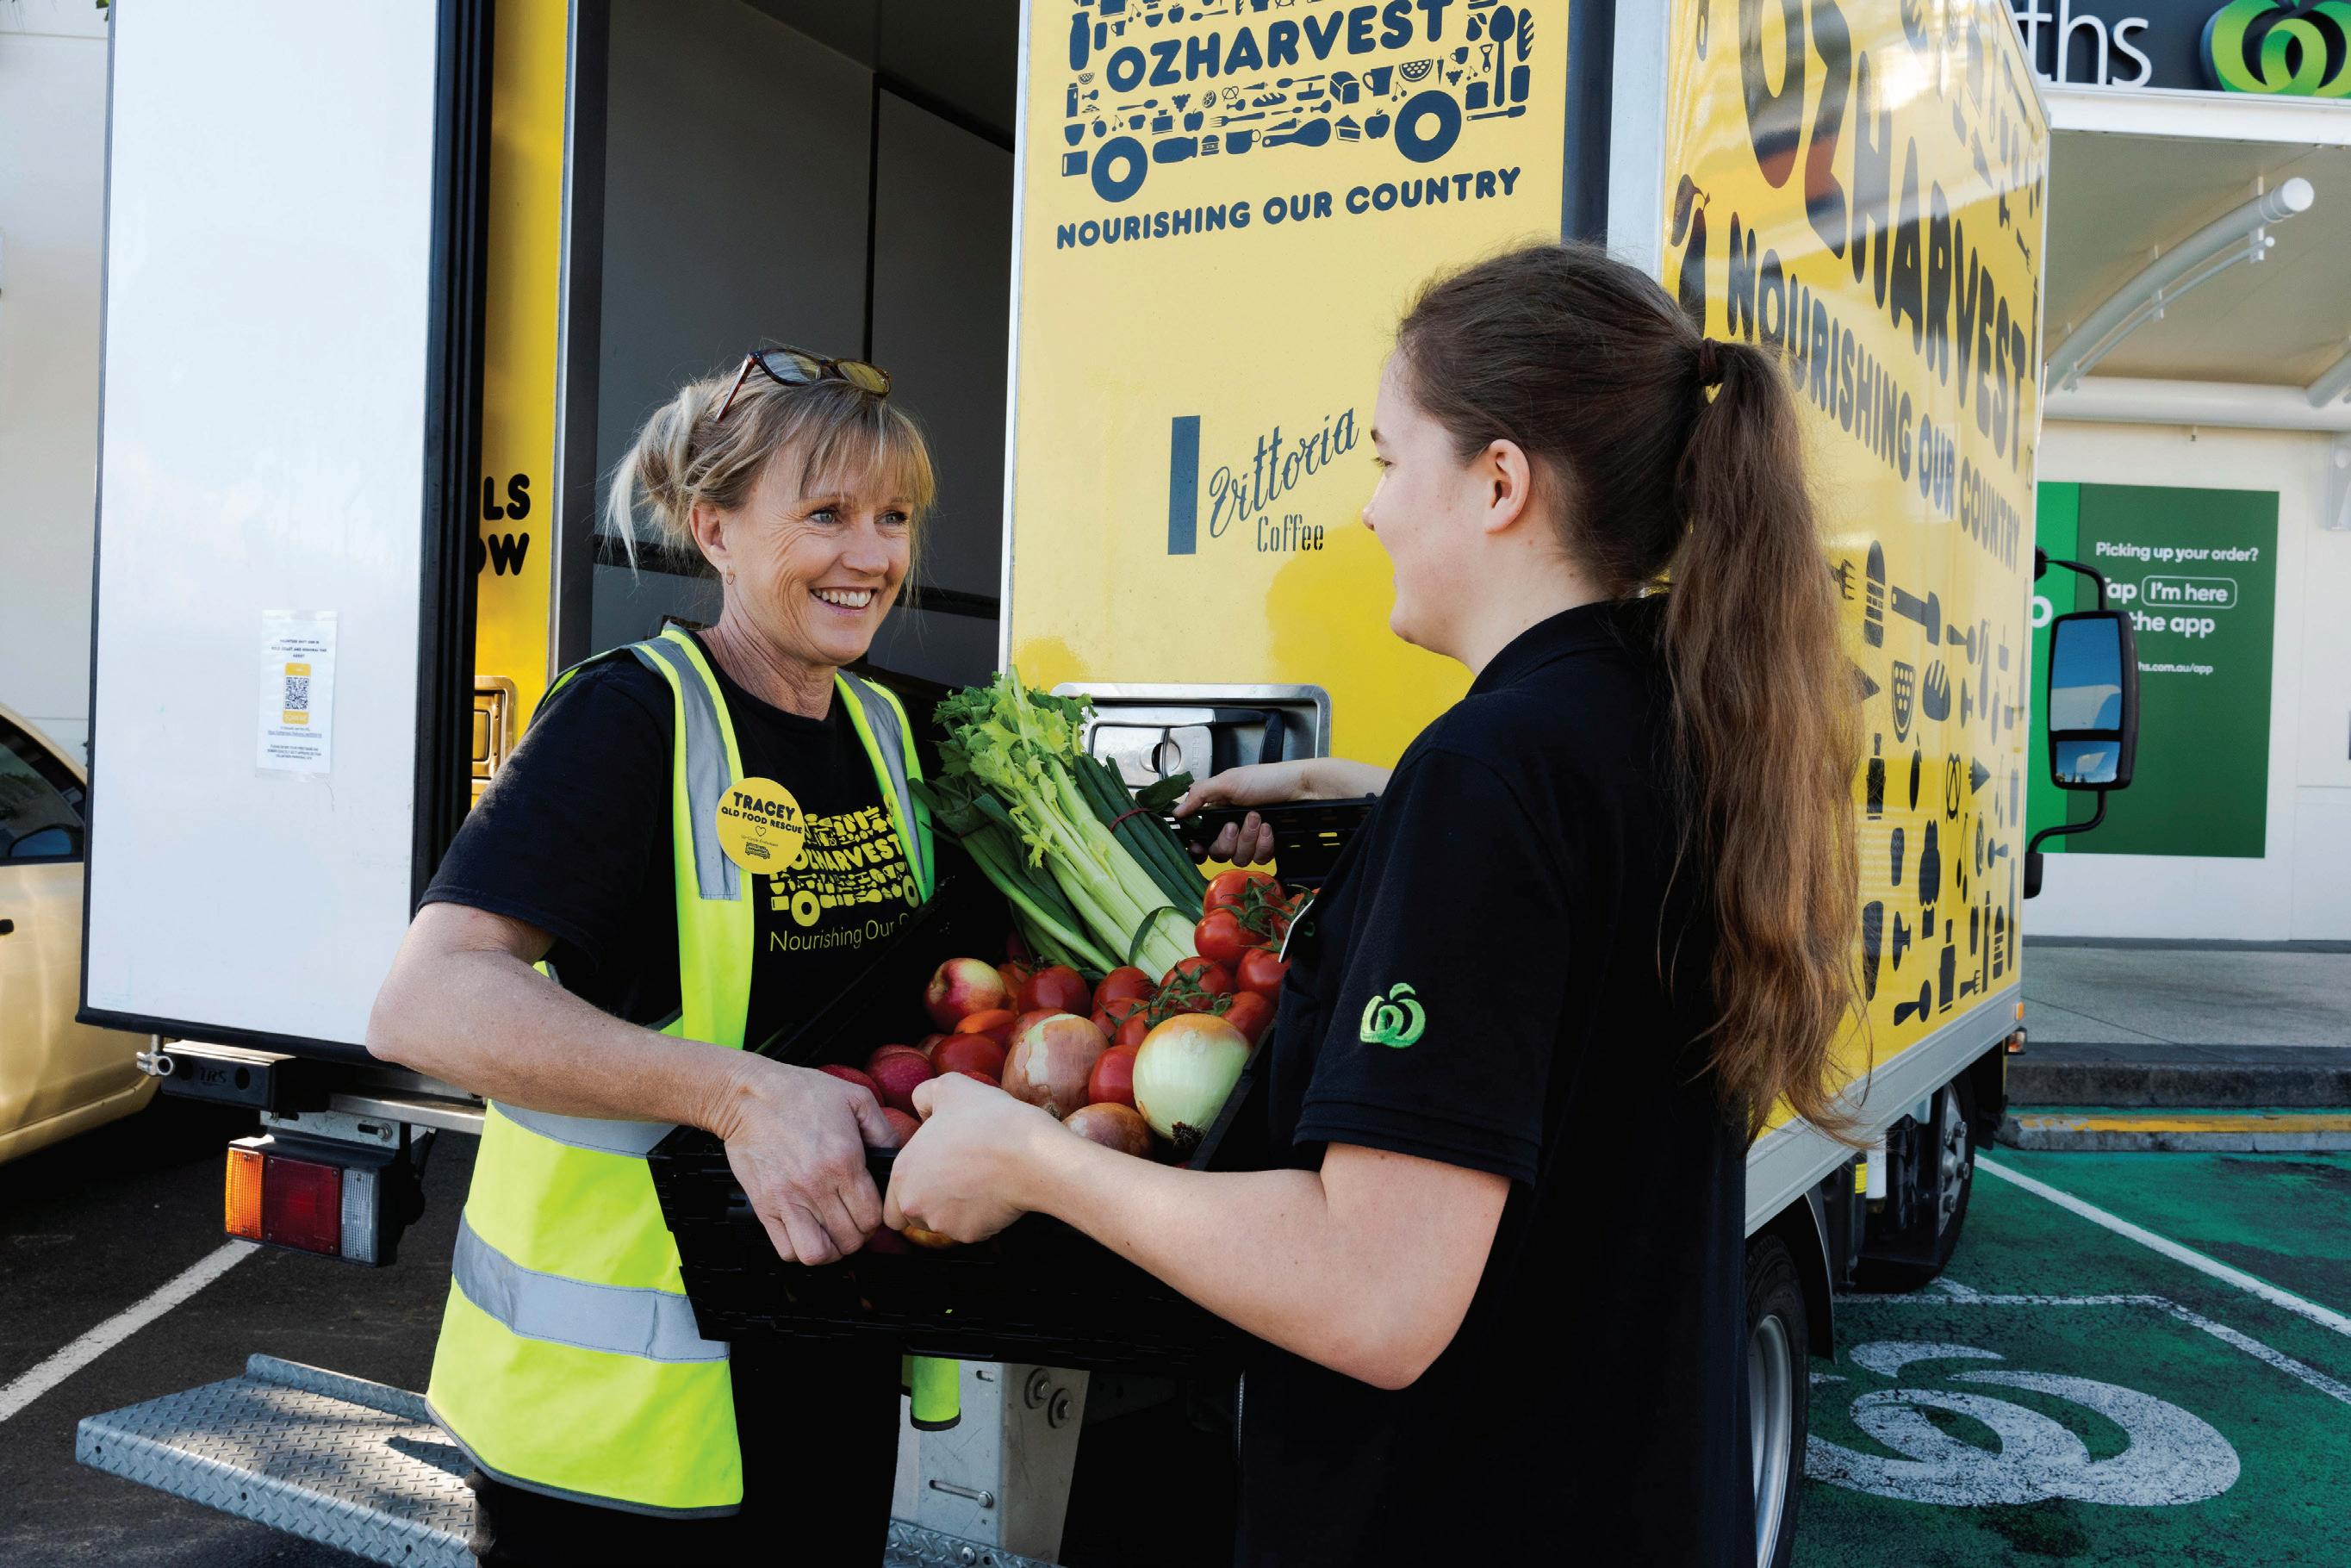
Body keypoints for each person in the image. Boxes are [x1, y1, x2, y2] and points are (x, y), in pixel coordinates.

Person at [881, 241, 1861, 1565]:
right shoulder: (1670, 718)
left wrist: (1030, 1162)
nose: (1370, 510)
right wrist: (1365, 792)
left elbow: (1376, 1297)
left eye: (1389, 460)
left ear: (1499, 483)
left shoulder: (1496, 772)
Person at [368, 347, 942, 1564]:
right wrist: (736, 1095)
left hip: (825, 1357)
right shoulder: (631, 716)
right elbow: (426, 1002)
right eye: (826, 514)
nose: (871, 554)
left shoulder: (893, 730)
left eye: (893, 518)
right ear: (715, 530)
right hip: (621, 1420)